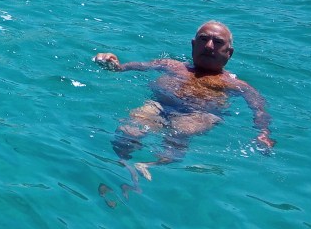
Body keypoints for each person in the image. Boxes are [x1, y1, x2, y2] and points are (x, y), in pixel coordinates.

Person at [93, 20, 274, 175]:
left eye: (218, 42)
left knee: (181, 130)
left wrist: (264, 133)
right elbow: (129, 67)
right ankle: (124, 166)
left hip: (198, 114)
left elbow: (259, 109)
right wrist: (112, 63)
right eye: (204, 39)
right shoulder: (169, 65)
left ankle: (149, 167)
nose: (209, 46)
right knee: (128, 129)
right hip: (160, 106)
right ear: (193, 44)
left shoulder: (236, 85)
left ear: (229, 53)